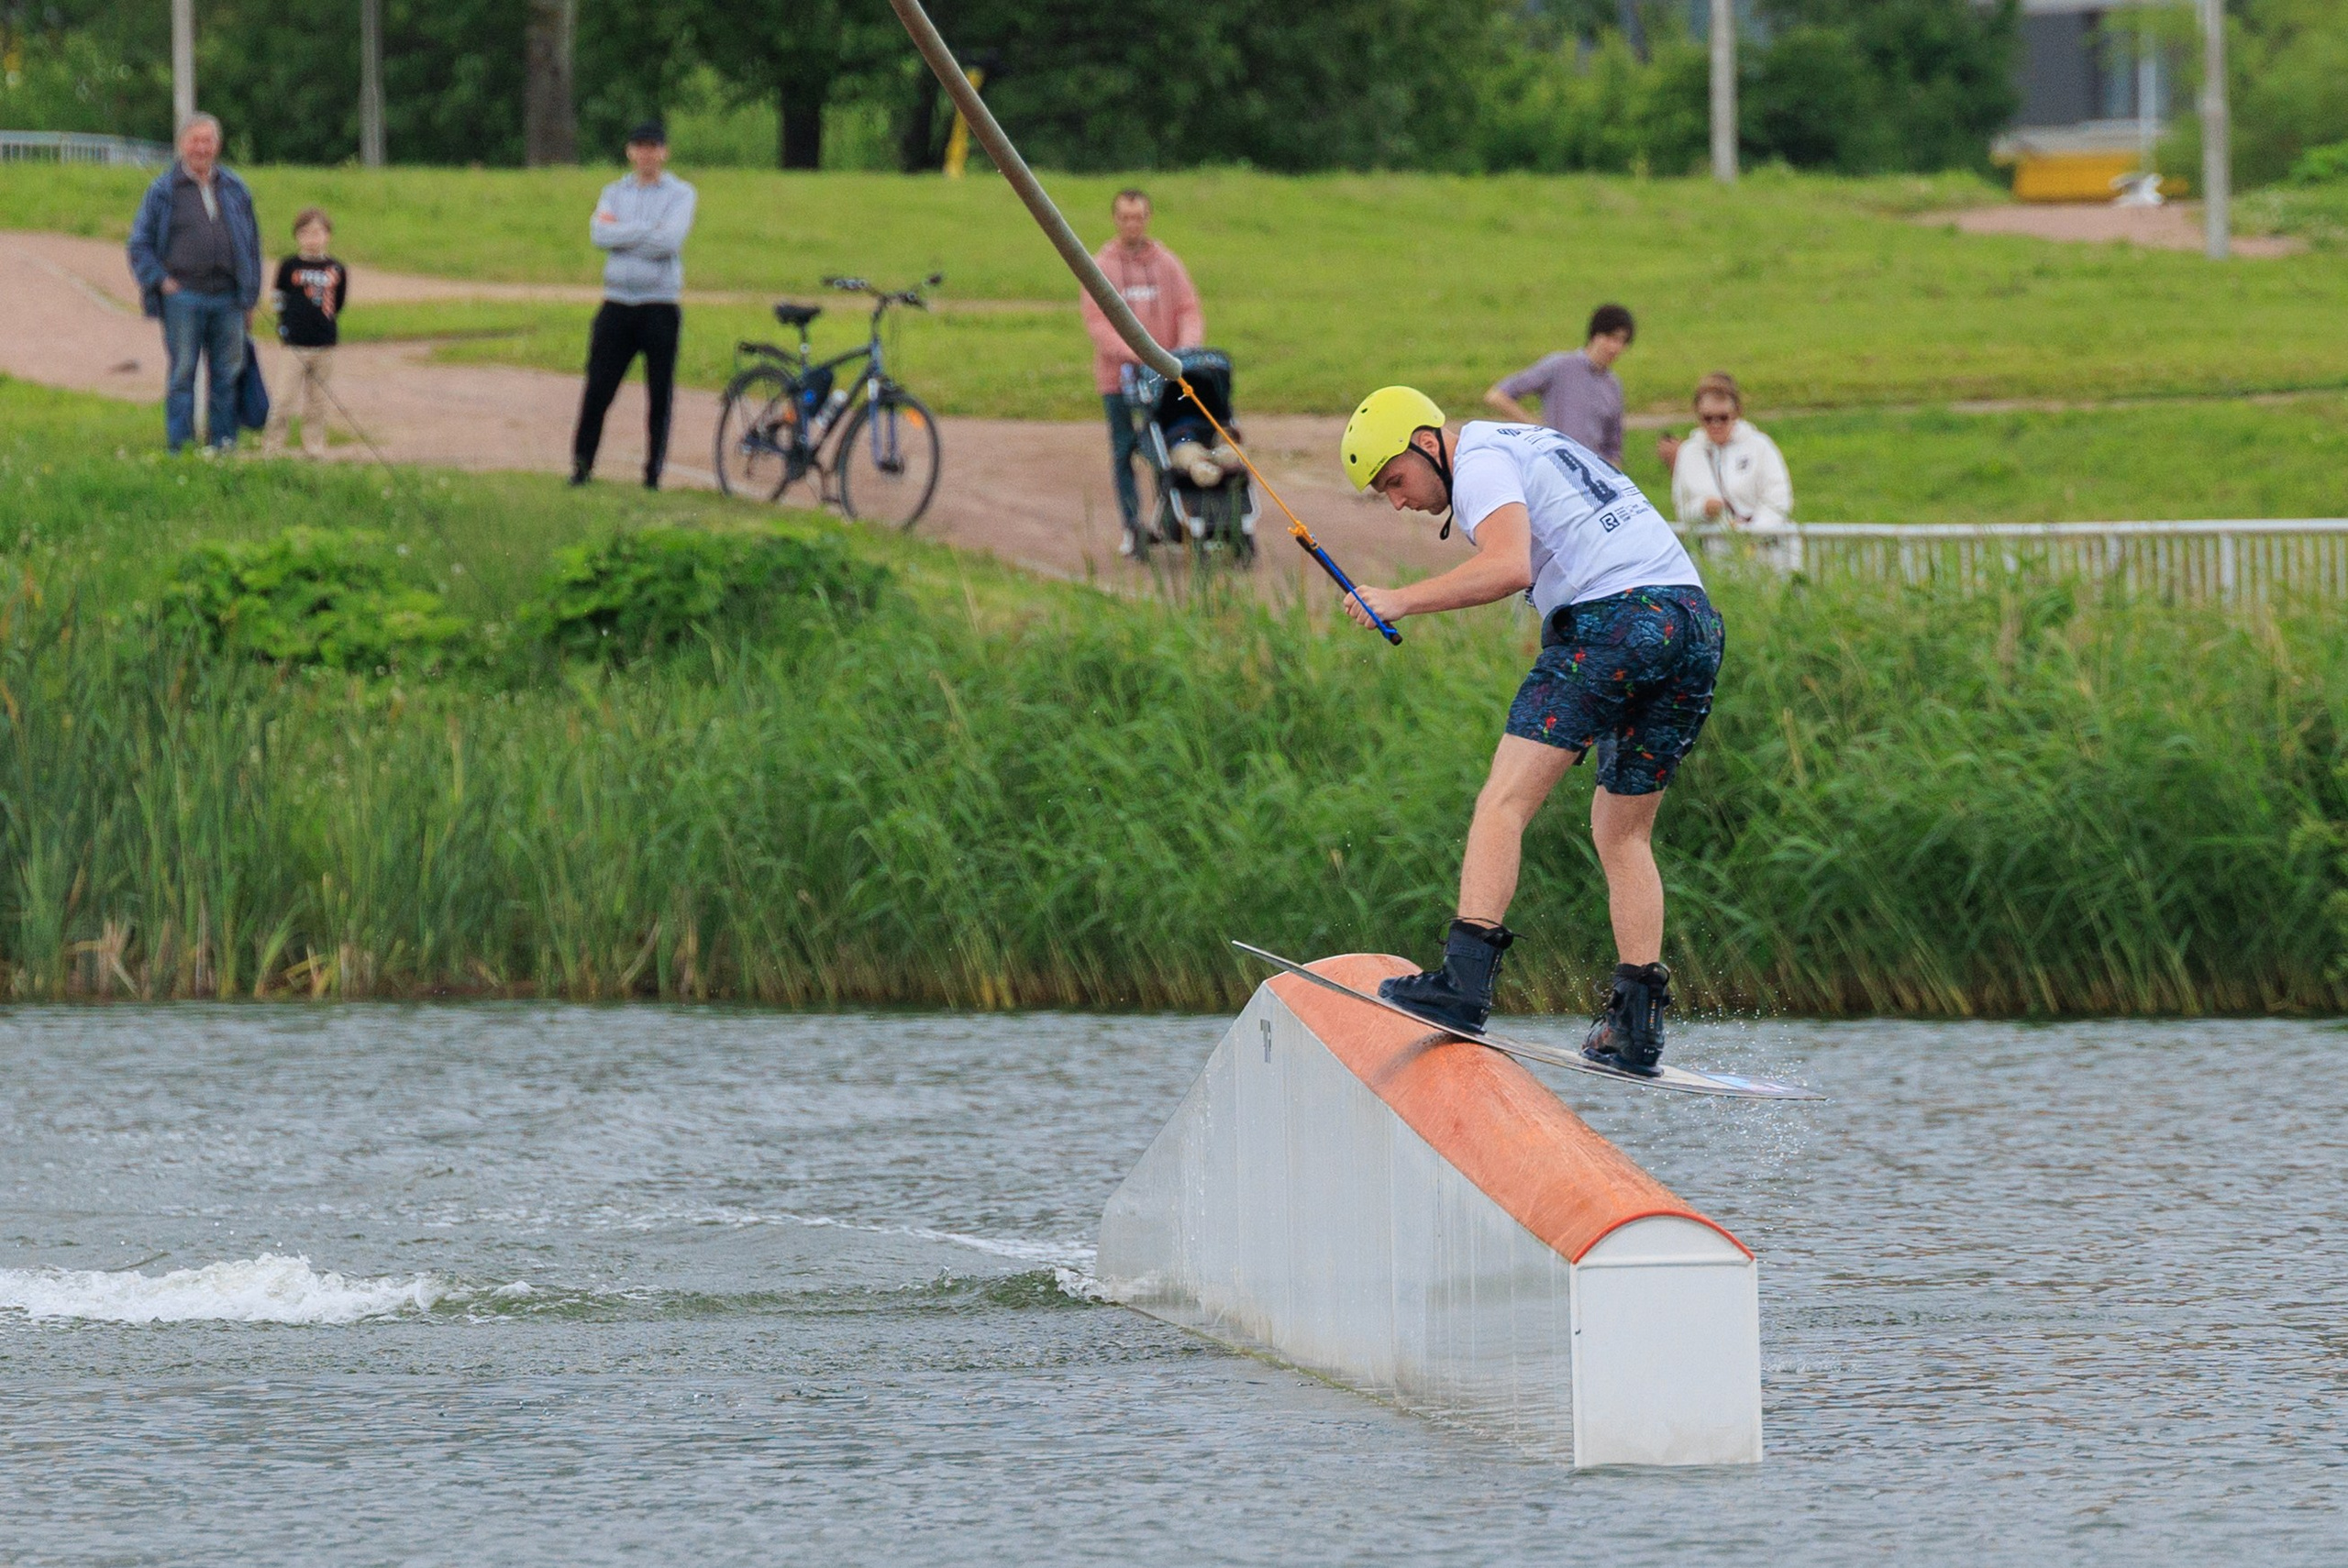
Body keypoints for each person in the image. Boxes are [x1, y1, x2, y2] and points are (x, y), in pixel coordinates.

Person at [1333, 386, 1723, 1077]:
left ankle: (1462, 984)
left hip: (1616, 622)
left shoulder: (1479, 458)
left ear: (1429, 443)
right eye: (1381, 494)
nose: (1397, 501)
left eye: (1395, 480)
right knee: (1622, 831)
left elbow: (1508, 566)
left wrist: (1399, 599)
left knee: (1504, 801)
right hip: (1691, 624)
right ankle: (1635, 1026)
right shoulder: (1530, 444)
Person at [125, 113, 263, 454]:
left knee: (226, 376)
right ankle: (181, 447)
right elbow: (139, 243)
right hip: (183, 297)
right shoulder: (163, 190)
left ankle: (222, 444)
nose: (201, 147)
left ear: (217, 145)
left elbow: (251, 244)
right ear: (182, 144)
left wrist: (250, 297)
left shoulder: (235, 187)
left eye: (208, 140)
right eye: (195, 140)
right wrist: (160, 281)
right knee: (182, 375)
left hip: (229, 299)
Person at [1079, 188, 1204, 556]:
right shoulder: (1101, 266)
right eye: (1125, 217)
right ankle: (1132, 526)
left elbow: (1188, 309)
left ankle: (1171, 519)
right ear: (1116, 220)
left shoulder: (1167, 263)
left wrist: (1183, 353)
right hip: (1118, 380)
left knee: (1166, 451)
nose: (1132, 224)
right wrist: (1136, 354)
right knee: (1123, 451)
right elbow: (1097, 322)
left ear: (1147, 218)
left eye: (1139, 217)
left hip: (1163, 379)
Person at [572, 121, 697, 490]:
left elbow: (670, 241)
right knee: (597, 388)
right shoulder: (613, 192)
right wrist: (646, 229)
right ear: (630, 152)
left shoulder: (681, 193)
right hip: (617, 303)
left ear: (664, 152)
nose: (646, 154)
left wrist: (624, 233)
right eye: (640, 147)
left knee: (659, 393)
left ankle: (653, 473)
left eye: (653, 147)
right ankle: (581, 466)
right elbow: (599, 234)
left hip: (659, 305)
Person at [1483, 304, 1634, 469]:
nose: (1615, 348)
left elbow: (1613, 448)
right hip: (1555, 467)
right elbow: (1497, 396)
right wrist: (1538, 430)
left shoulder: (1613, 386)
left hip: (1592, 474)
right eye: (1610, 338)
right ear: (1594, 335)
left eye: (1622, 341)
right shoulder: (1560, 366)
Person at [1661, 373, 1794, 558]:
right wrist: (1703, 509)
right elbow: (1682, 510)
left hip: (1765, 553)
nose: (1715, 424)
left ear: (1737, 412)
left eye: (1723, 418)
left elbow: (1778, 498)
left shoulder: (1760, 446)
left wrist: (1752, 534)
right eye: (1707, 418)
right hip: (1716, 557)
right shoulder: (1689, 452)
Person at [263, 207, 349, 458]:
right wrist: (284, 323)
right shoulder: (290, 265)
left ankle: (314, 447)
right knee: (283, 399)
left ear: (328, 235)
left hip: (325, 343)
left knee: (318, 401)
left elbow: (339, 301)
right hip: (295, 344)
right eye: (306, 233)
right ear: (297, 236)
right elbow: (278, 296)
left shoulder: (336, 268)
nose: (312, 238)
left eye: (318, 232)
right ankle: (273, 447)